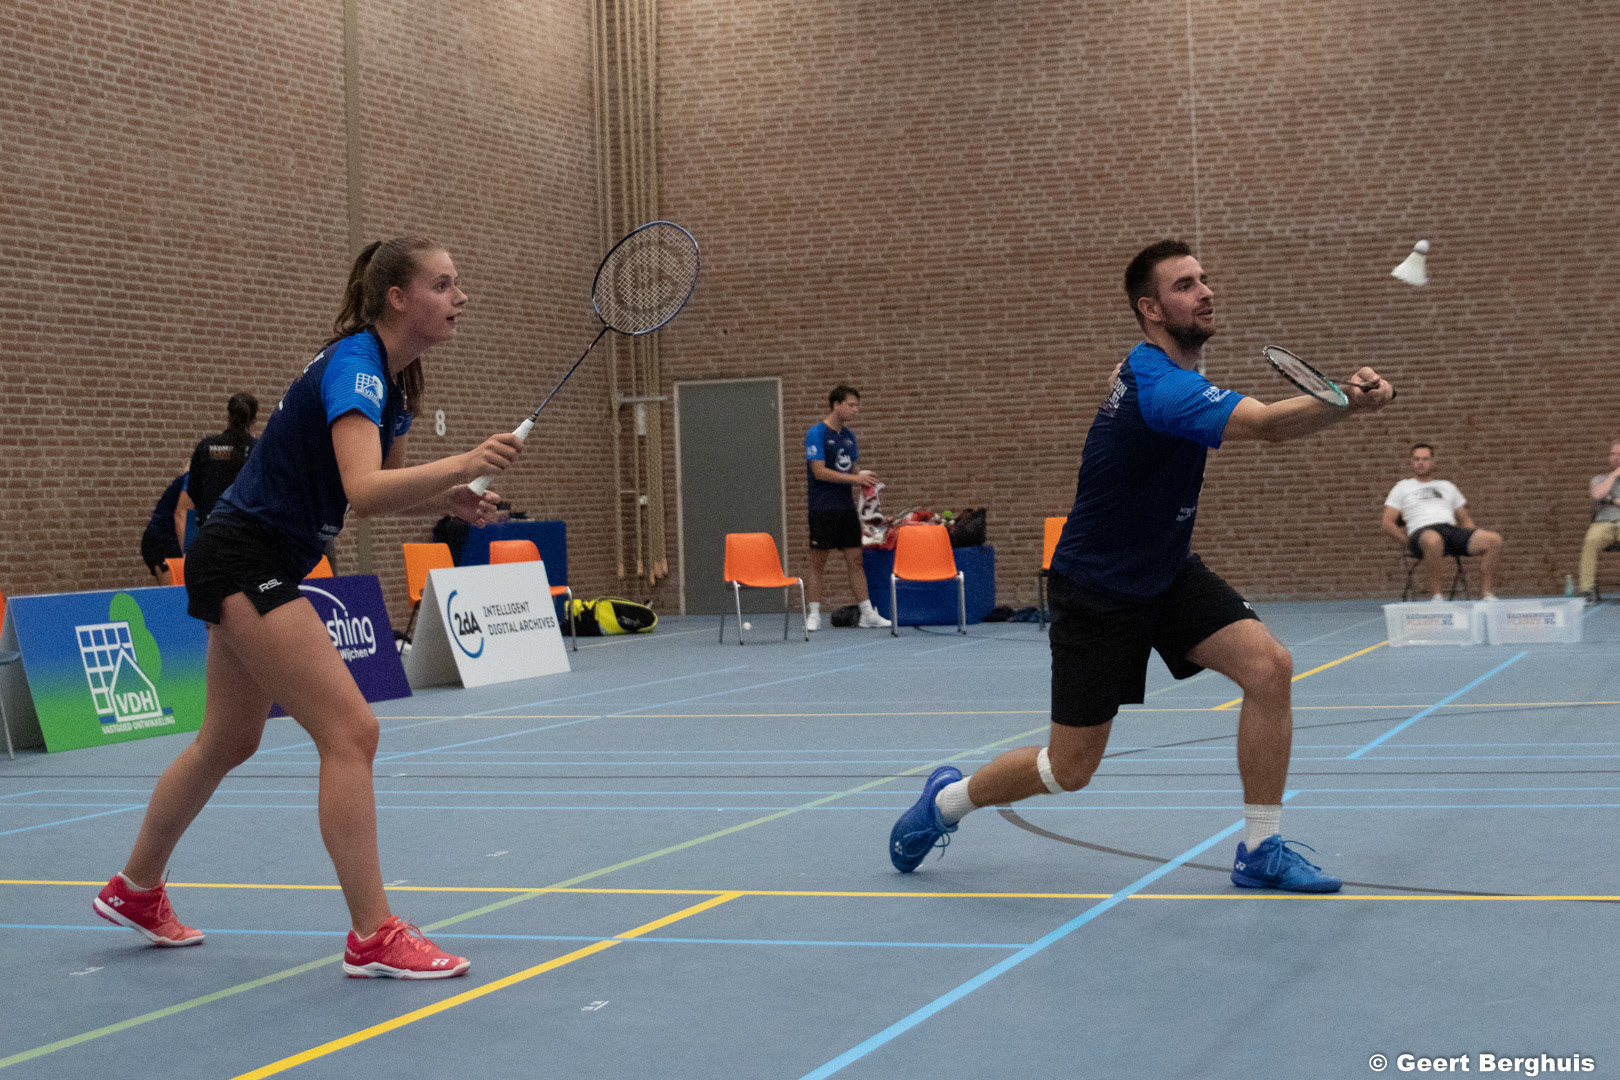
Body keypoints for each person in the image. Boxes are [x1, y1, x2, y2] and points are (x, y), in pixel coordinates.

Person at [888, 239, 1396, 892]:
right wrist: (1348, 400)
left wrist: (1342, 400)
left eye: (1204, 278)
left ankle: (1260, 848)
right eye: (1185, 285)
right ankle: (947, 802)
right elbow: (1269, 426)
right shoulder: (1164, 389)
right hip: (1098, 590)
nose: (1205, 291)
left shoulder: (1150, 369)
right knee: (1069, 769)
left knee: (1269, 668)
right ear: (1150, 309)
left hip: (1167, 569)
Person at [93, 237, 523, 979]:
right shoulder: (357, 366)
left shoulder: (391, 384)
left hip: (251, 555)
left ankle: (135, 889)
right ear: (398, 298)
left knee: (228, 741)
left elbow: (374, 495)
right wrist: (466, 460)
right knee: (352, 731)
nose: (460, 297)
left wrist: (447, 494)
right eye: (443, 284)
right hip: (245, 556)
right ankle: (374, 935)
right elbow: (362, 489)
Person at [804, 385, 891, 631]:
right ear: (837, 405)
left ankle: (867, 614)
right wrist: (855, 479)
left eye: (857, 405)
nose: (855, 410)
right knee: (818, 562)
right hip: (822, 508)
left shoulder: (849, 436)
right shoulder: (816, 433)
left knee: (855, 560)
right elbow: (819, 472)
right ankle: (814, 614)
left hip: (845, 508)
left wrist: (865, 479)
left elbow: (853, 468)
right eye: (851, 405)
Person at [1381, 443, 1503, 601]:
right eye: (1417, 459)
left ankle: (1487, 594)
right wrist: (1406, 541)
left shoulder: (1447, 486)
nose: (1421, 463)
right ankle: (1437, 595)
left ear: (1432, 462)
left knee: (1493, 540)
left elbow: (1464, 518)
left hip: (1450, 530)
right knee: (1433, 540)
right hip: (1422, 532)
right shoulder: (1402, 487)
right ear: (1412, 462)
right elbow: (1387, 522)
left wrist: (1470, 535)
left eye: (1425, 459)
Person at [187, 392, 260, 525]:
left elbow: (193, 489)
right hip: (243, 525)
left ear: (229, 416)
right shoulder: (257, 450)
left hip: (210, 523)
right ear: (253, 419)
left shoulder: (206, 446)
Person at [1576, 439, 1620, 600]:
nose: (1615, 457)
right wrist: (1614, 475)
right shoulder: (1599, 479)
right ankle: (1586, 588)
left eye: (1619, 454)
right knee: (1591, 540)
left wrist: (1611, 500)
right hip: (1603, 524)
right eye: (1613, 454)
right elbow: (1597, 494)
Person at [139, 471, 193, 586]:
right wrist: (187, 554)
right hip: (164, 540)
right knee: (176, 591)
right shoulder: (194, 479)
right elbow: (181, 514)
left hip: (173, 539)